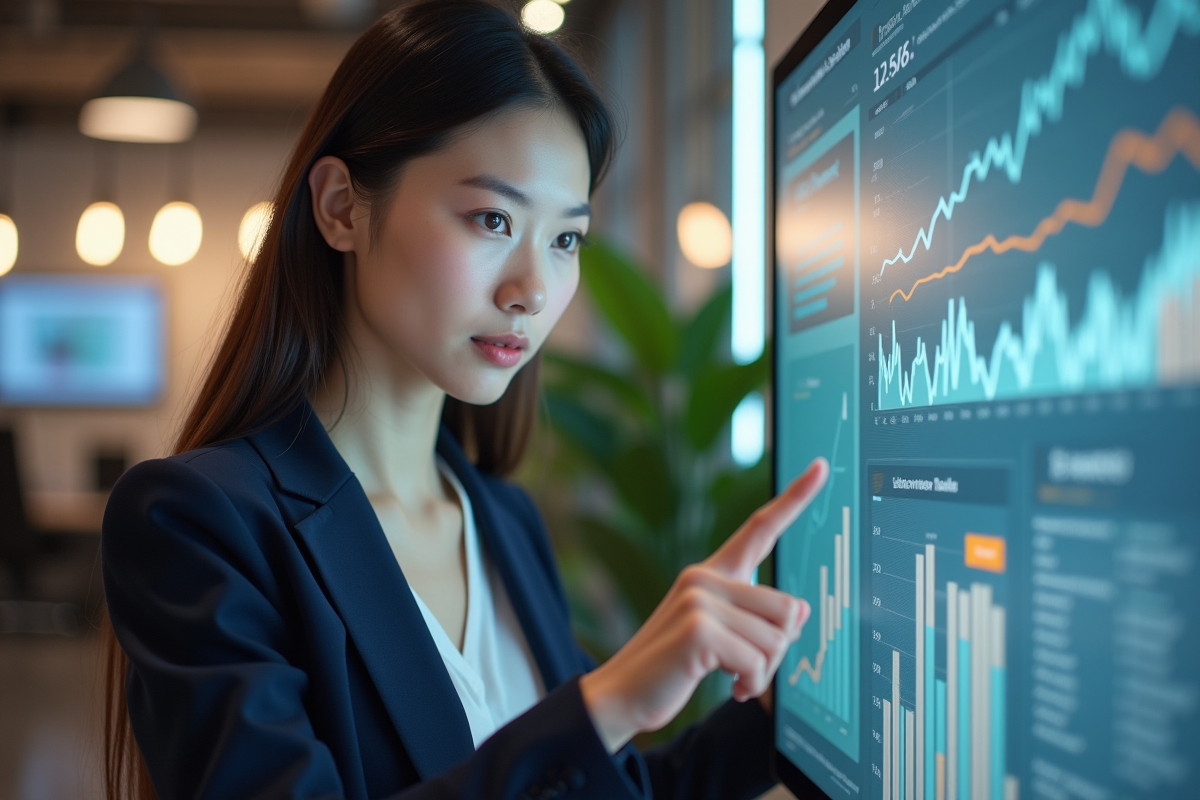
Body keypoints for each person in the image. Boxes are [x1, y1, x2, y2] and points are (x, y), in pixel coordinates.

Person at [100, 2, 830, 799]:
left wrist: (783, 713)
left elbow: (587, 785)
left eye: (565, 239)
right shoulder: (199, 522)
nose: (533, 290)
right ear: (342, 207)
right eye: (492, 219)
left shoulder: (501, 519)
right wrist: (607, 704)